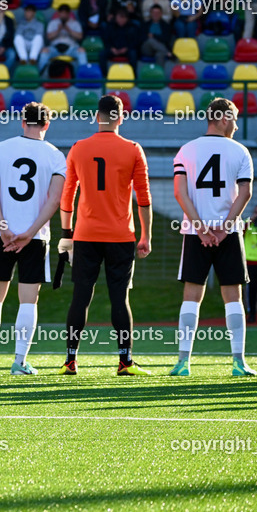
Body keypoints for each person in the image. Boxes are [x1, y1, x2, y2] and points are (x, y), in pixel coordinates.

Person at [57, 95, 152, 376]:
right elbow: (143, 198)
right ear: (121, 118)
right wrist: (146, 236)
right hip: (121, 235)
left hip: (85, 235)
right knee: (120, 298)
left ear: (97, 117)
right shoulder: (133, 149)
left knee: (80, 296)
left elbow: (67, 196)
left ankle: (70, 360)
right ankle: (125, 362)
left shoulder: (78, 148)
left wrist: (66, 234)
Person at [0, 103, 66, 375]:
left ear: (22, 122)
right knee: (29, 300)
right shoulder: (55, 155)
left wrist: (3, 226)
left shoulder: (1, 148)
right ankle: (19, 361)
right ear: (46, 125)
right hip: (34, 237)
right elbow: (54, 200)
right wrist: (30, 232)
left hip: (2, 234)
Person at [170, 98, 256, 377]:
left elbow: (180, 193)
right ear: (221, 118)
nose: (235, 123)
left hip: (196, 233)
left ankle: (183, 362)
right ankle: (239, 362)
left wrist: (202, 229)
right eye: (233, 117)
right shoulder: (240, 151)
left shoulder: (186, 150)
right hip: (228, 234)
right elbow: (245, 194)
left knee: (191, 296)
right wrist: (223, 228)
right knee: (233, 296)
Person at [41, 4, 86, 70]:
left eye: (65, 12)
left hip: (71, 48)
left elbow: (80, 36)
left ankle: (83, 75)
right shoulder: (53, 23)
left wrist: (69, 30)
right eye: (62, 12)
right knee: (44, 51)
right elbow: (49, 37)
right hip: (55, 48)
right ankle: (41, 75)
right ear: (58, 13)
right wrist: (58, 30)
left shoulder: (75, 23)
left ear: (69, 13)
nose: (63, 14)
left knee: (81, 51)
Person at [244, 204, 257, 323]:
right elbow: (239, 231)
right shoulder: (248, 225)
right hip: (251, 263)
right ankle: (252, 315)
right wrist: (252, 220)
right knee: (252, 290)